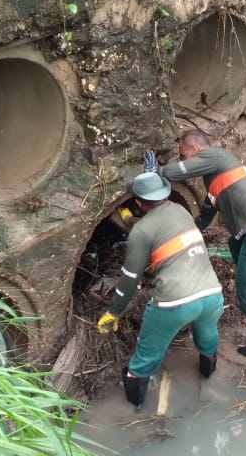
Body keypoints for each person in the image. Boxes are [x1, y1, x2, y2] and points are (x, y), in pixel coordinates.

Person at [96, 171, 224, 410]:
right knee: (207, 339)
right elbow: (164, 232)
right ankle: (209, 379)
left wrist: (114, 312)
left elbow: (130, 279)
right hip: (212, 294)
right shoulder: (180, 210)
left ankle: (133, 411)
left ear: (137, 202)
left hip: (174, 304)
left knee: (145, 359)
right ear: (164, 195)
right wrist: (135, 224)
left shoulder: (141, 232)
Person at [160, 131, 246, 360]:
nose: (182, 158)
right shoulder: (217, 175)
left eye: (182, 154)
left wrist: (156, 173)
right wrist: (190, 232)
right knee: (234, 244)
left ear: (195, 150)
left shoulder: (215, 156)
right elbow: (207, 212)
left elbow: (175, 173)